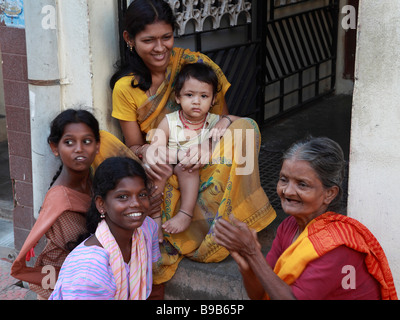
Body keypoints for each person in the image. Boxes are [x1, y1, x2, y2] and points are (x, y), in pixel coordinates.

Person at [99, 0, 276, 285]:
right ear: (129, 40)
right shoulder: (126, 88)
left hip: (206, 161)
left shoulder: (197, 67)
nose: (160, 48)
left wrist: (205, 147)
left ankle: (224, 222)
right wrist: (151, 152)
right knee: (102, 144)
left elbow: (223, 121)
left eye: (166, 37)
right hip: (162, 168)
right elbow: (132, 147)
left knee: (245, 129)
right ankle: (162, 225)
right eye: (148, 40)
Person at [214, 137, 398, 300]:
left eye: (302, 184)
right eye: (284, 179)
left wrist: (253, 254)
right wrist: (247, 265)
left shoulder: (336, 247)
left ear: (329, 194)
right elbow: (262, 293)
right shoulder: (289, 226)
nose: (287, 191)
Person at [11, 109, 100, 300]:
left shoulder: (93, 181)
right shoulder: (61, 201)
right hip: (62, 281)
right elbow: (85, 246)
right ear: (54, 147)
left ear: (98, 146)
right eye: (69, 142)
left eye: (87, 141)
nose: (79, 149)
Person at [49, 157, 161, 300]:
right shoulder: (88, 270)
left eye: (142, 194)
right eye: (123, 196)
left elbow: (154, 283)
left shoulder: (147, 229)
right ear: (101, 204)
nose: (136, 203)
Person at [150, 62, 240, 239]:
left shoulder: (214, 122)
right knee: (159, 168)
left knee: (188, 168)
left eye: (204, 96)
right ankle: (154, 218)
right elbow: (155, 150)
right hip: (172, 163)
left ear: (214, 99)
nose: (196, 101)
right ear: (178, 97)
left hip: (197, 170)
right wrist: (176, 156)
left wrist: (227, 120)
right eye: (189, 95)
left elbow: (245, 124)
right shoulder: (170, 121)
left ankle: (185, 214)